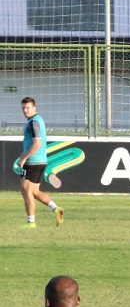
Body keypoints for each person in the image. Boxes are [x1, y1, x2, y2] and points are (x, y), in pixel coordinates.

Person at [16, 97, 65, 229]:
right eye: (23, 108)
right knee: (35, 191)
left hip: (33, 162)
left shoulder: (33, 122)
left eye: (27, 108)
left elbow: (37, 142)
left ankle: (31, 223)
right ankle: (56, 209)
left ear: (34, 108)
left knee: (26, 191)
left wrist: (24, 157)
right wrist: (24, 153)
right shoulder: (39, 120)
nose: (25, 110)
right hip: (41, 161)